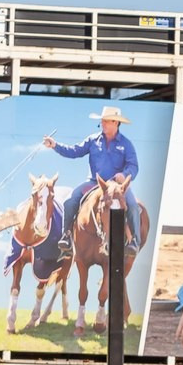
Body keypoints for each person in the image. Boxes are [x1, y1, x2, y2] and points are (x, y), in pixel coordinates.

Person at [44, 106, 140, 259]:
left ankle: (134, 241)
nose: (103, 124)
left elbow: (133, 166)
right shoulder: (93, 140)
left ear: (116, 122)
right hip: (94, 183)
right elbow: (74, 151)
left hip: (117, 187)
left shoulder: (126, 144)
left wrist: (125, 174)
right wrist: (55, 145)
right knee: (70, 201)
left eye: (106, 121)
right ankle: (67, 237)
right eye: (102, 121)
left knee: (133, 206)